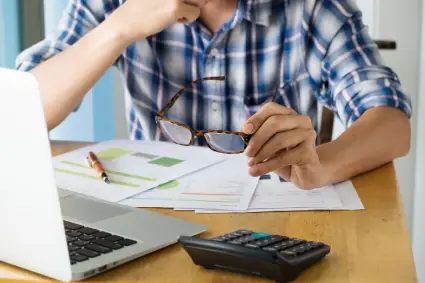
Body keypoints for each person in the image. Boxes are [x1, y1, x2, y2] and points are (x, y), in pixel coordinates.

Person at [16, 0, 411, 189]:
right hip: (154, 209)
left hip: (275, 222)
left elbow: (391, 120)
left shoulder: (312, 8)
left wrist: (324, 164)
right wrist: (117, 28)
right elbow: (23, 111)